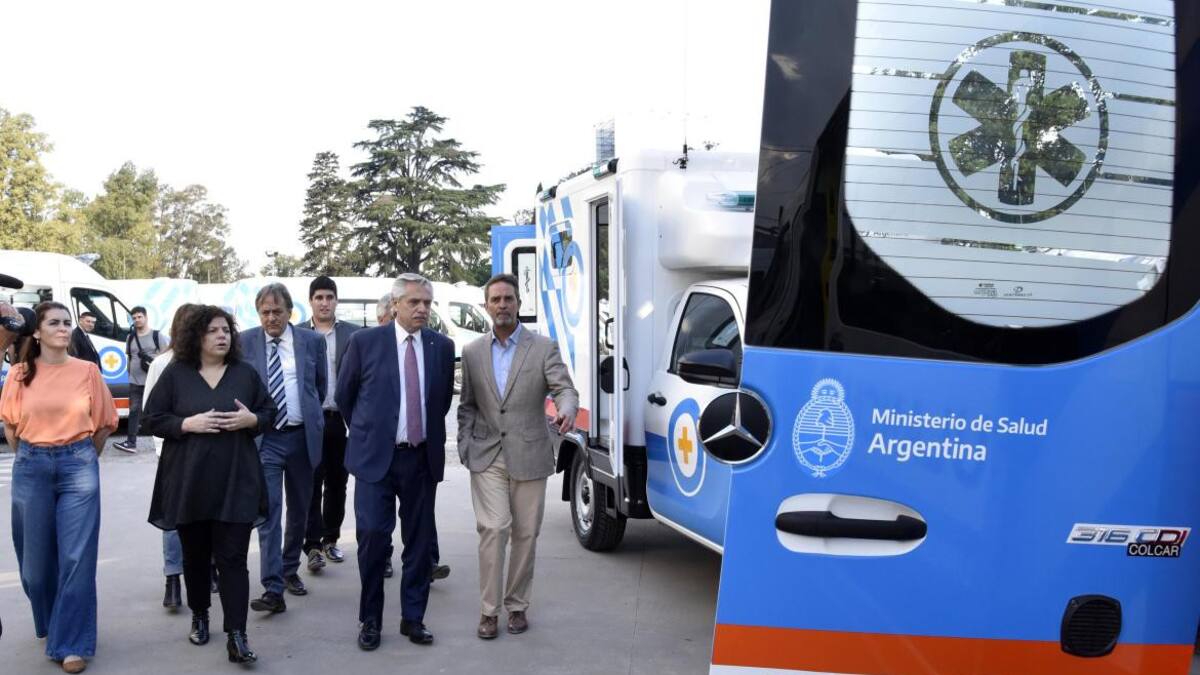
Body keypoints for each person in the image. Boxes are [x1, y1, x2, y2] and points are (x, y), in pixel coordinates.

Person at [143, 305, 273, 664]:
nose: (222, 336)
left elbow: (269, 413)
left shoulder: (245, 374)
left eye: (226, 330)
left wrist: (251, 420)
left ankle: (237, 635)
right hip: (189, 482)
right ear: (196, 336)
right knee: (196, 557)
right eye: (213, 330)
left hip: (236, 479)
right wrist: (187, 425)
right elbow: (151, 419)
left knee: (233, 559)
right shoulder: (176, 374)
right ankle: (200, 614)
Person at [336, 273, 454, 651]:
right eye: (414, 302)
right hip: (375, 461)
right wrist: (373, 433)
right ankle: (370, 619)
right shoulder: (365, 342)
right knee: (371, 537)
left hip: (420, 459)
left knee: (418, 544)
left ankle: (413, 618)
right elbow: (345, 396)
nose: (422, 309)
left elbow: (441, 403)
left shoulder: (441, 346)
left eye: (427, 303)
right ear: (396, 304)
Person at [458, 273, 578, 640]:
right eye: (495, 300)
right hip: (487, 453)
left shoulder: (542, 347)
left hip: (529, 453)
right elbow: (467, 405)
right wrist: (465, 444)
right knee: (493, 529)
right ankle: (489, 610)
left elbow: (564, 387)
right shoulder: (473, 352)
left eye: (508, 299)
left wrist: (567, 408)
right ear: (486, 306)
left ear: (518, 305)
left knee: (526, 533)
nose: (502, 305)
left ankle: (517, 605)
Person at [1, 302, 118, 673]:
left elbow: (103, 424)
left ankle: (70, 643)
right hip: (31, 466)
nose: (64, 328)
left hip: (78, 466)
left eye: (68, 322)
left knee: (76, 557)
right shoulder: (19, 375)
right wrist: (34, 457)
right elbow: (11, 429)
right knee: (35, 566)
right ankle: (52, 622)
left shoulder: (87, 371)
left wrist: (80, 457)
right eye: (54, 322)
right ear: (36, 332)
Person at [239, 283, 327, 612]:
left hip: (302, 437)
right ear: (258, 313)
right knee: (269, 512)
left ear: (291, 312)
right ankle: (273, 587)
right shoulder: (244, 341)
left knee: (300, 510)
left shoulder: (312, 341)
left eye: (277, 311)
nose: (271, 318)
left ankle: (290, 569)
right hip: (267, 440)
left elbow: (319, 387)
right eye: (265, 312)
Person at [143, 303, 201, 611]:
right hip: (172, 453)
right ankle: (173, 577)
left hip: (206, 454)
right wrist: (160, 447)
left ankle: (209, 570)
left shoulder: (210, 363)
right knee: (174, 519)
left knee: (207, 514)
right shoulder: (162, 363)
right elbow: (153, 412)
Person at [301, 276, 360, 570]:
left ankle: (330, 540)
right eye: (319, 297)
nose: (324, 302)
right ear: (310, 301)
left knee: (338, 483)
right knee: (310, 484)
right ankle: (311, 545)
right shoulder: (297, 333)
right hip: (309, 421)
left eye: (329, 297)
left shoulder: (353, 334)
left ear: (337, 301)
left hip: (340, 419)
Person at [114, 306, 168, 454]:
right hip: (134, 381)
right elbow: (130, 357)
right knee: (133, 411)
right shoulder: (130, 337)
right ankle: (131, 443)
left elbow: (165, 357)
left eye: (139, 317)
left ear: (146, 317)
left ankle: (164, 442)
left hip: (153, 381)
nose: (137, 320)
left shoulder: (157, 336)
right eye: (134, 318)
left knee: (157, 411)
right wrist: (129, 373)